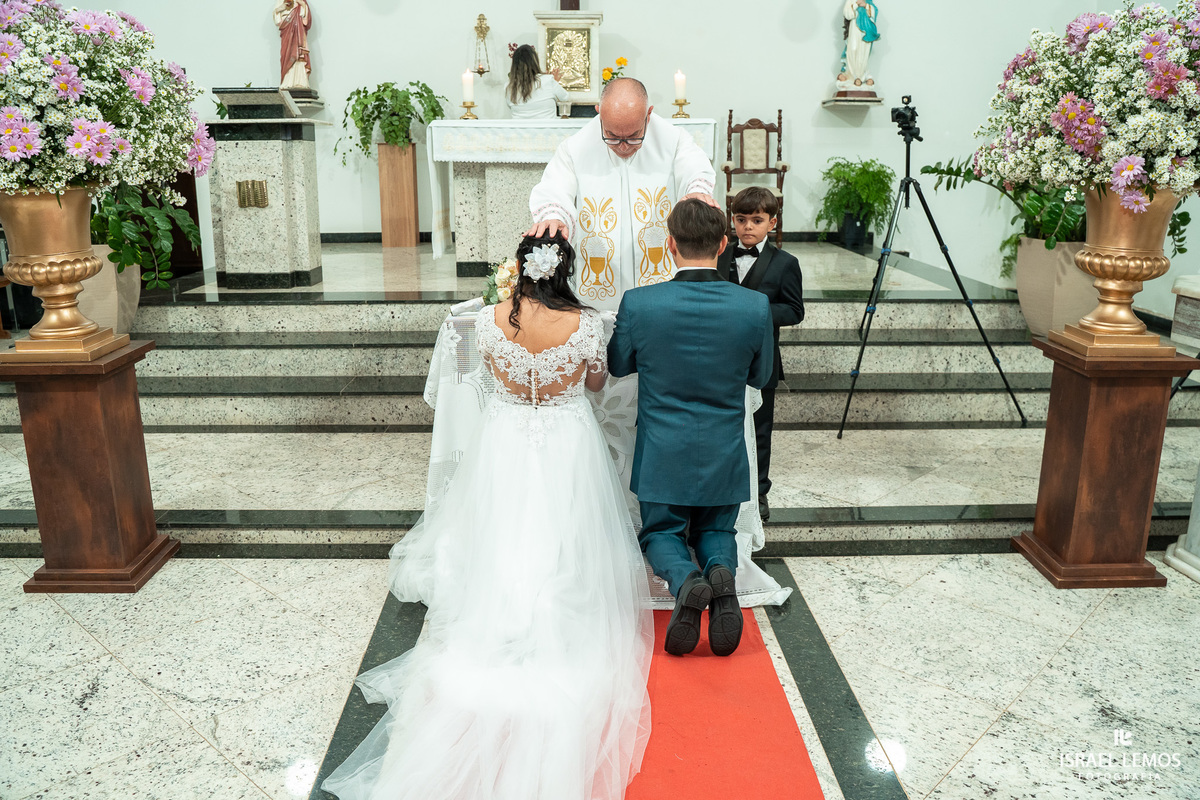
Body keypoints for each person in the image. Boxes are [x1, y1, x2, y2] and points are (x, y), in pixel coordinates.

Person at [321, 233, 653, 800]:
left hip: (505, 438)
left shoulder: (488, 319)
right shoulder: (585, 323)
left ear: (519, 270)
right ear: (564, 271)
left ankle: (503, 607)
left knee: (505, 525)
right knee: (564, 525)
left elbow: (484, 381)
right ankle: (556, 602)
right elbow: (596, 384)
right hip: (567, 437)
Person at [608, 199, 773, 657]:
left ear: (670, 245)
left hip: (663, 447)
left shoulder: (640, 303)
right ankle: (720, 574)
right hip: (723, 446)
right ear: (722, 244)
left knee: (660, 532)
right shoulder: (754, 305)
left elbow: (618, 364)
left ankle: (686, 581)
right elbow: (761, 377)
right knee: (718, 530)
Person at [527, 77, 717, 312]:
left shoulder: (674, 140)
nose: (623, 146)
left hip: (658, 278)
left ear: (649, 115)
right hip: (599, 282)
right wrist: (555, 216)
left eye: (634, 136)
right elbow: (555, 187)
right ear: (599, 113)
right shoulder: (576, 148)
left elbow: (695, 168)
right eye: (612, 136)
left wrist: (696, 192)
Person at [716, 187, 804, 522]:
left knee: (760, 428)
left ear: (772, 222)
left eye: (756, 220)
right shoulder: (719, 256)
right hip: (720, 357)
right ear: (732, 221)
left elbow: (794, 310)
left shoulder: (786, 264)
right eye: (741, 220)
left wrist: (756, 308)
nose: (748, 227)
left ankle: (759, 491)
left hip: (762, 359)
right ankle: (721, 488)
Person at [506, 44, 569, 119]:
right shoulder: (548, 80)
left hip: (520, 126)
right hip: (547, 126)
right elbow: (565, 97)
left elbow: (511, 105)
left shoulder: (508, 86)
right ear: (535, 62)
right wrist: (554, 83)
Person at [274, 0, 312, 91]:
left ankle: (301, 82)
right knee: (287, 54)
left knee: (299, 56)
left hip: (299, 33)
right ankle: (287, 81)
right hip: (287, 31)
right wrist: (280, 9)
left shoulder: (301, 1)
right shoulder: (280, 1)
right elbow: (277, 20)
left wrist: (303, 5)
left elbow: (306, 21)